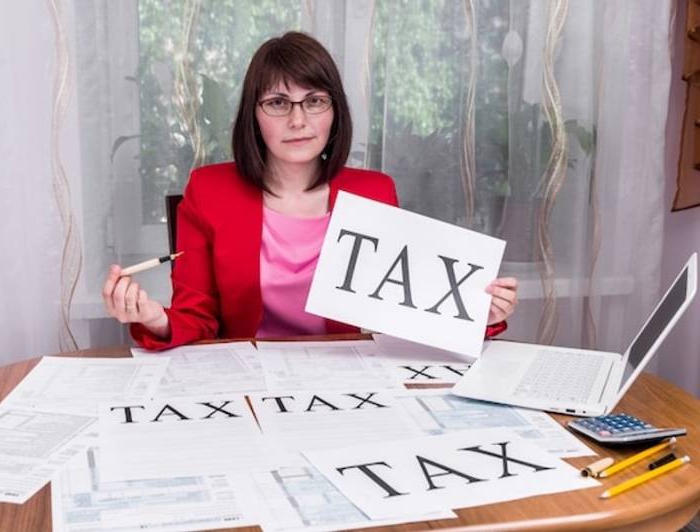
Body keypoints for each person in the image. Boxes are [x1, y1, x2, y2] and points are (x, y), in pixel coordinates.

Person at [102, 31, 518, 350]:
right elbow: (198, 316)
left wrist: (481, 314)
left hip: (343, 382)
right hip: (243, 382)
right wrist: (154, 317)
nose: (298, 120)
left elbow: (406, 310)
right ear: (254, 115)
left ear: (334, 112)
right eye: (278, 103)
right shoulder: (210, 191)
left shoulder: (374, 192)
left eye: (315, 100)